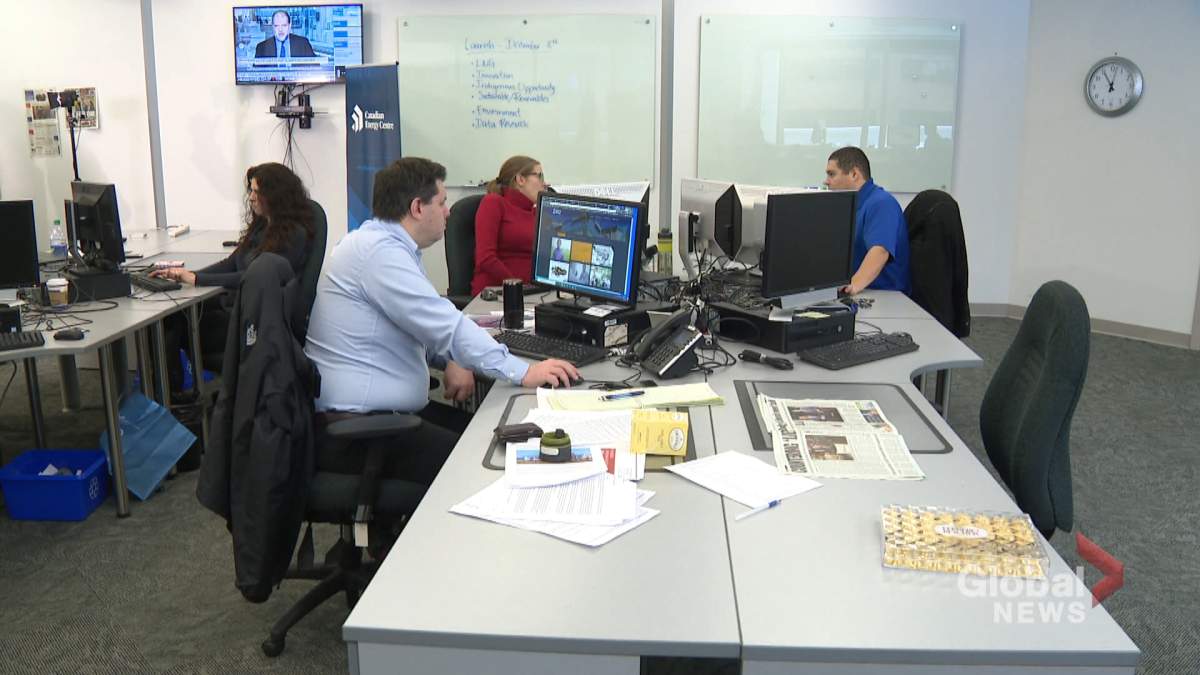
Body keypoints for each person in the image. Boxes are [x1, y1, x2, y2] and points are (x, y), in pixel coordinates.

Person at [304, 157, 578, 482]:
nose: (449, 211)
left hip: (376, 418)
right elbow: (446, 325)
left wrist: (452, 357)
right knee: (484, 462)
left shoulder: (386, 245)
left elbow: (422, 325)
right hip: (360, 432)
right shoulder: (380, 254)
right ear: (418, 207)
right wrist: (526, 371)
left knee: (489, 438)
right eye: (443, 201)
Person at [153, 162, 314, 393]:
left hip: (255, 322)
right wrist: (188, 275)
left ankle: (172, 395)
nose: (250, 197)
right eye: (250, 190)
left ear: (274, 195)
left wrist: (197, 280)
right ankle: (169, 393)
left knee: (175, 319)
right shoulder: (261, 227)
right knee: (170, 313)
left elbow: (251, 278)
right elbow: (231, 264)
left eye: (256, 191)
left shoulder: (294, 236)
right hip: (237, 307)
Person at [822, 146, 911, 295]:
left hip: (883, 296)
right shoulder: (853, 205)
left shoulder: (881, 203)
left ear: (854, 174)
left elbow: (880, 251)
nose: (826, 181)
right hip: (865, 291)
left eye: (832, 174)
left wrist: (852, 286)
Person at [470, 155, 548, 295]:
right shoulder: (493, 203)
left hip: (533, 293)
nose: (545, 183)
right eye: (539, 176)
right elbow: (486, 258)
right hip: (499, 293)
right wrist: (518, 285)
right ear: (520, 179)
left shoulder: (536, 212)